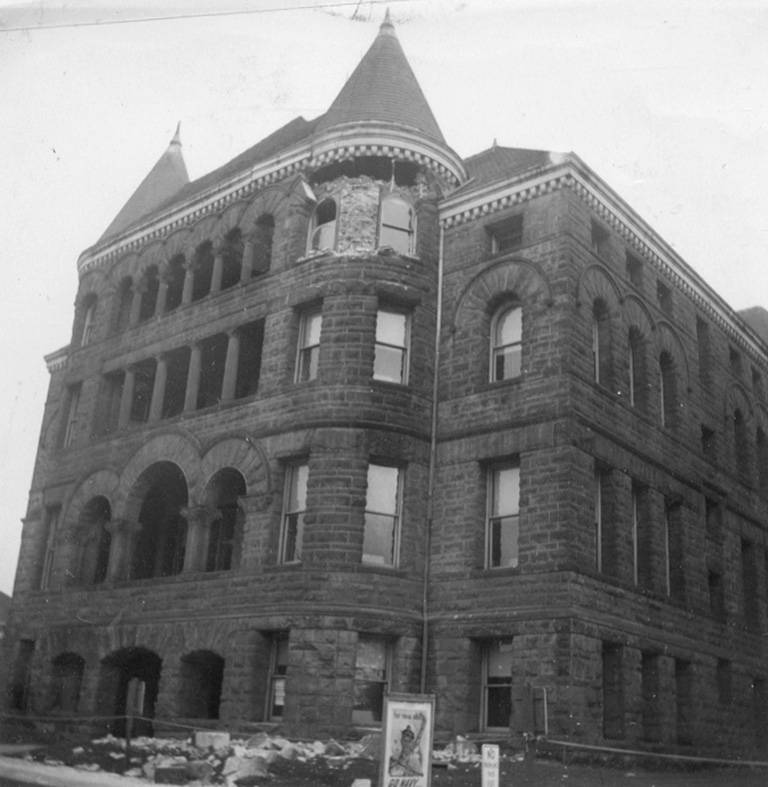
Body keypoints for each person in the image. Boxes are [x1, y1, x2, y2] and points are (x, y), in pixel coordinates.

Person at [388, 711, 425, 777]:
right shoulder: (402, 742)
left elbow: (420, 735)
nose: (405, 737)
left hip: (402, 769)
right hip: (398, 765)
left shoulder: (412, 746)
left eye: (408, 735)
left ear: (411, 738)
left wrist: (424, 722)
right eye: (405, 734)